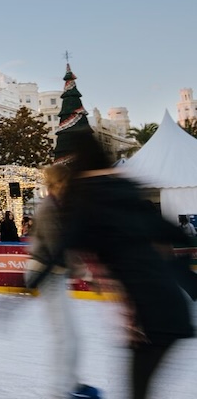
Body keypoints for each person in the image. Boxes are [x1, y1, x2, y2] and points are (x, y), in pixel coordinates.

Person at [33, 130, 193, 399]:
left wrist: (27, 285)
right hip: (173, 307)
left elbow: (65, 244)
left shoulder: (88, 202)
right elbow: (175, 233)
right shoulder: (127, 192)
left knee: (137, 390)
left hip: (148, 317)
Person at [26, 164, 97, 399]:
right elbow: (59, 248)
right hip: (45, 273)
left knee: (72, 335)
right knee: (64, 336)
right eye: (66, 183)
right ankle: (60, 390)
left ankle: (72, 383)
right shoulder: (48, 209)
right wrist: (85, 274)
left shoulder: (59, 206)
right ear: (55, 185)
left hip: (55, 273)